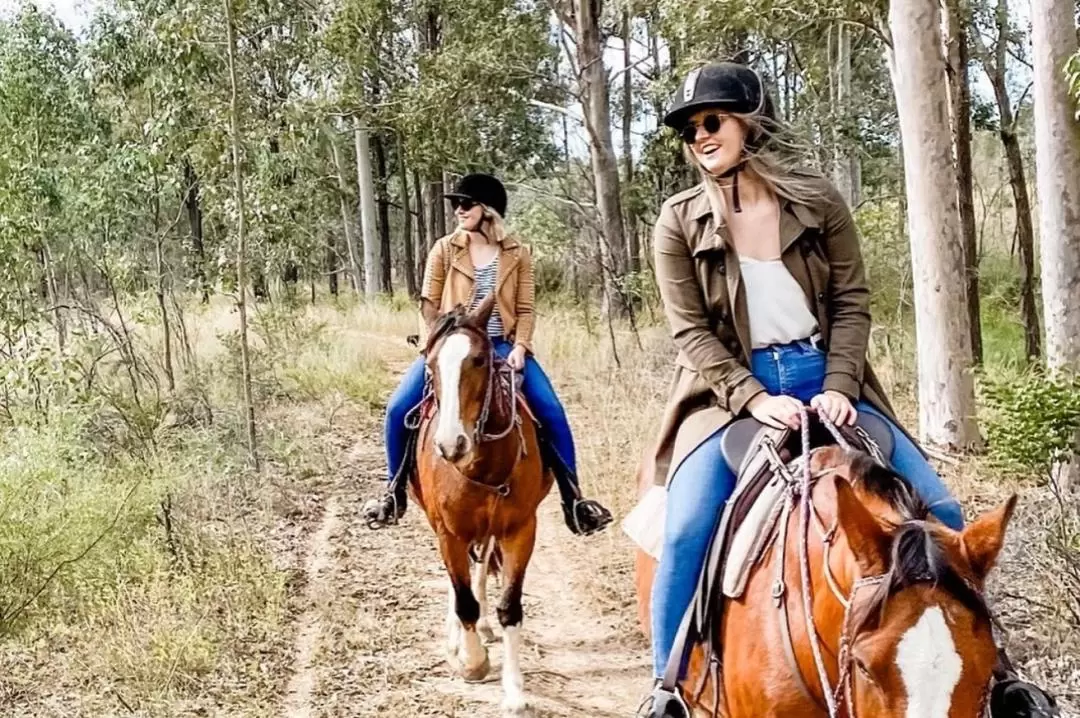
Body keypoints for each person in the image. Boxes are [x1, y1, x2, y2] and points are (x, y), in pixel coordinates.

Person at [639, 61, 1054, 717]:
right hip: (726, 396)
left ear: (750, 122)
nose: (699, 136)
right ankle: (666, 691)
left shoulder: (819, 200)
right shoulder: (677, 220)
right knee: (687, 527)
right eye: (690, 129)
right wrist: (754, 398)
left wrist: (836, 383)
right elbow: (689, 332)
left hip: (828, 376)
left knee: (945, 518)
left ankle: (1002, 678)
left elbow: (853, 301)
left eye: (711, 120)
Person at [363, 173, 612, 537]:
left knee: (551, 410)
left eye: (466, 204)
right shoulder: (444, 249)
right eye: (455, 204)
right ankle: (393, 491)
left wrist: (522, 349)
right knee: (399, 407)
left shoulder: (518, 254)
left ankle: (574, 500)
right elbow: (428, 303)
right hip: (453, 346)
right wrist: (437, 344)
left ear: (488, 210)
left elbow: (526, 309)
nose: (458, 210)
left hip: (503, 345)